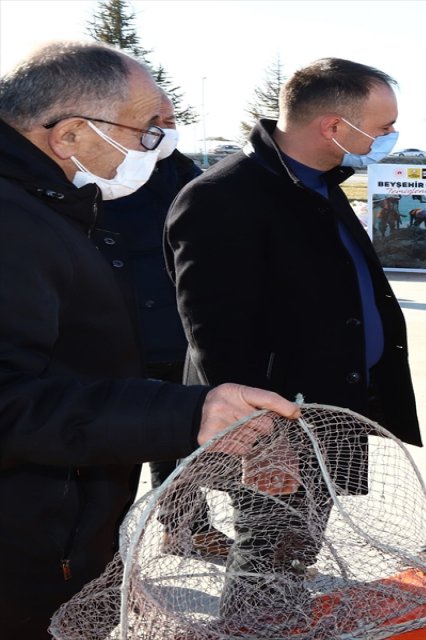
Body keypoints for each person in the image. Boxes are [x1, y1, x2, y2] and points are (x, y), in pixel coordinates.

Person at [0, 41, 297, 639]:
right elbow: (11, 402)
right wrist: (188, 411)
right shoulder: (13, 225)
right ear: (70, 137)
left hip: (62, 523)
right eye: (149, 130)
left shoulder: (53, 207)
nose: (161, 148)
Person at [165, 58, 420, 628]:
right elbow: (214, 331)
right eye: (382, 129)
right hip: (276, 421)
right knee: (271, 550)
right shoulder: (225, 197)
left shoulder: (317, 186)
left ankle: (274, 624)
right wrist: (258, 438)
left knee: (294, 549)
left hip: (324, 408)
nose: (389, 140)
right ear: (334, 126)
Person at [94, 95, 229, 560]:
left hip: (175, 327)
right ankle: (103, 554)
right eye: (157, 122)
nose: (167, 131)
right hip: (114, 330)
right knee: (110, 447)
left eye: (173, 121)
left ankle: (186, 527)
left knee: (175, 436)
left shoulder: (176, 167)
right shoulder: (99, 167)